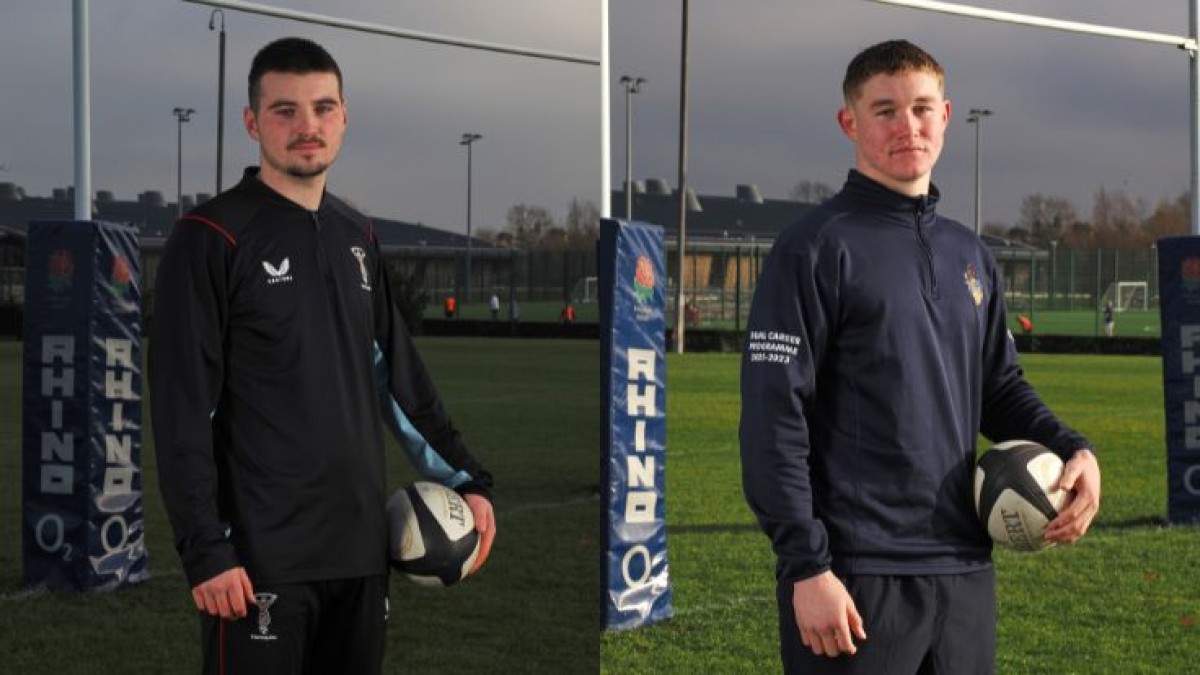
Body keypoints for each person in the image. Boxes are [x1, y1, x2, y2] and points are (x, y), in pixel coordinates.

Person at [739, 40, 1101, 674]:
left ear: (947, 115)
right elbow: (774, 421)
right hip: (856, 576)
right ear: (849, 122)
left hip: (964, 571)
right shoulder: (814, 249)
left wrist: (1074, 448)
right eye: (885, 110)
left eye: (922, 108)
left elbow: (998, 388)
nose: (907, 126)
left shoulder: (971, 255)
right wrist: (807, 567)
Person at [150, 37, 496, 674]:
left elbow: (398, 378)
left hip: (361, 555)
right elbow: (181, 413)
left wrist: (465, 478)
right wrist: (206, 551)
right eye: (285, 111)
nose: (306, 127)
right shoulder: (210, 238)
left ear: (344, 117)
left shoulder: (355, 235)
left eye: (322, 108)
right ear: (252, 122)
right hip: (259, 562)